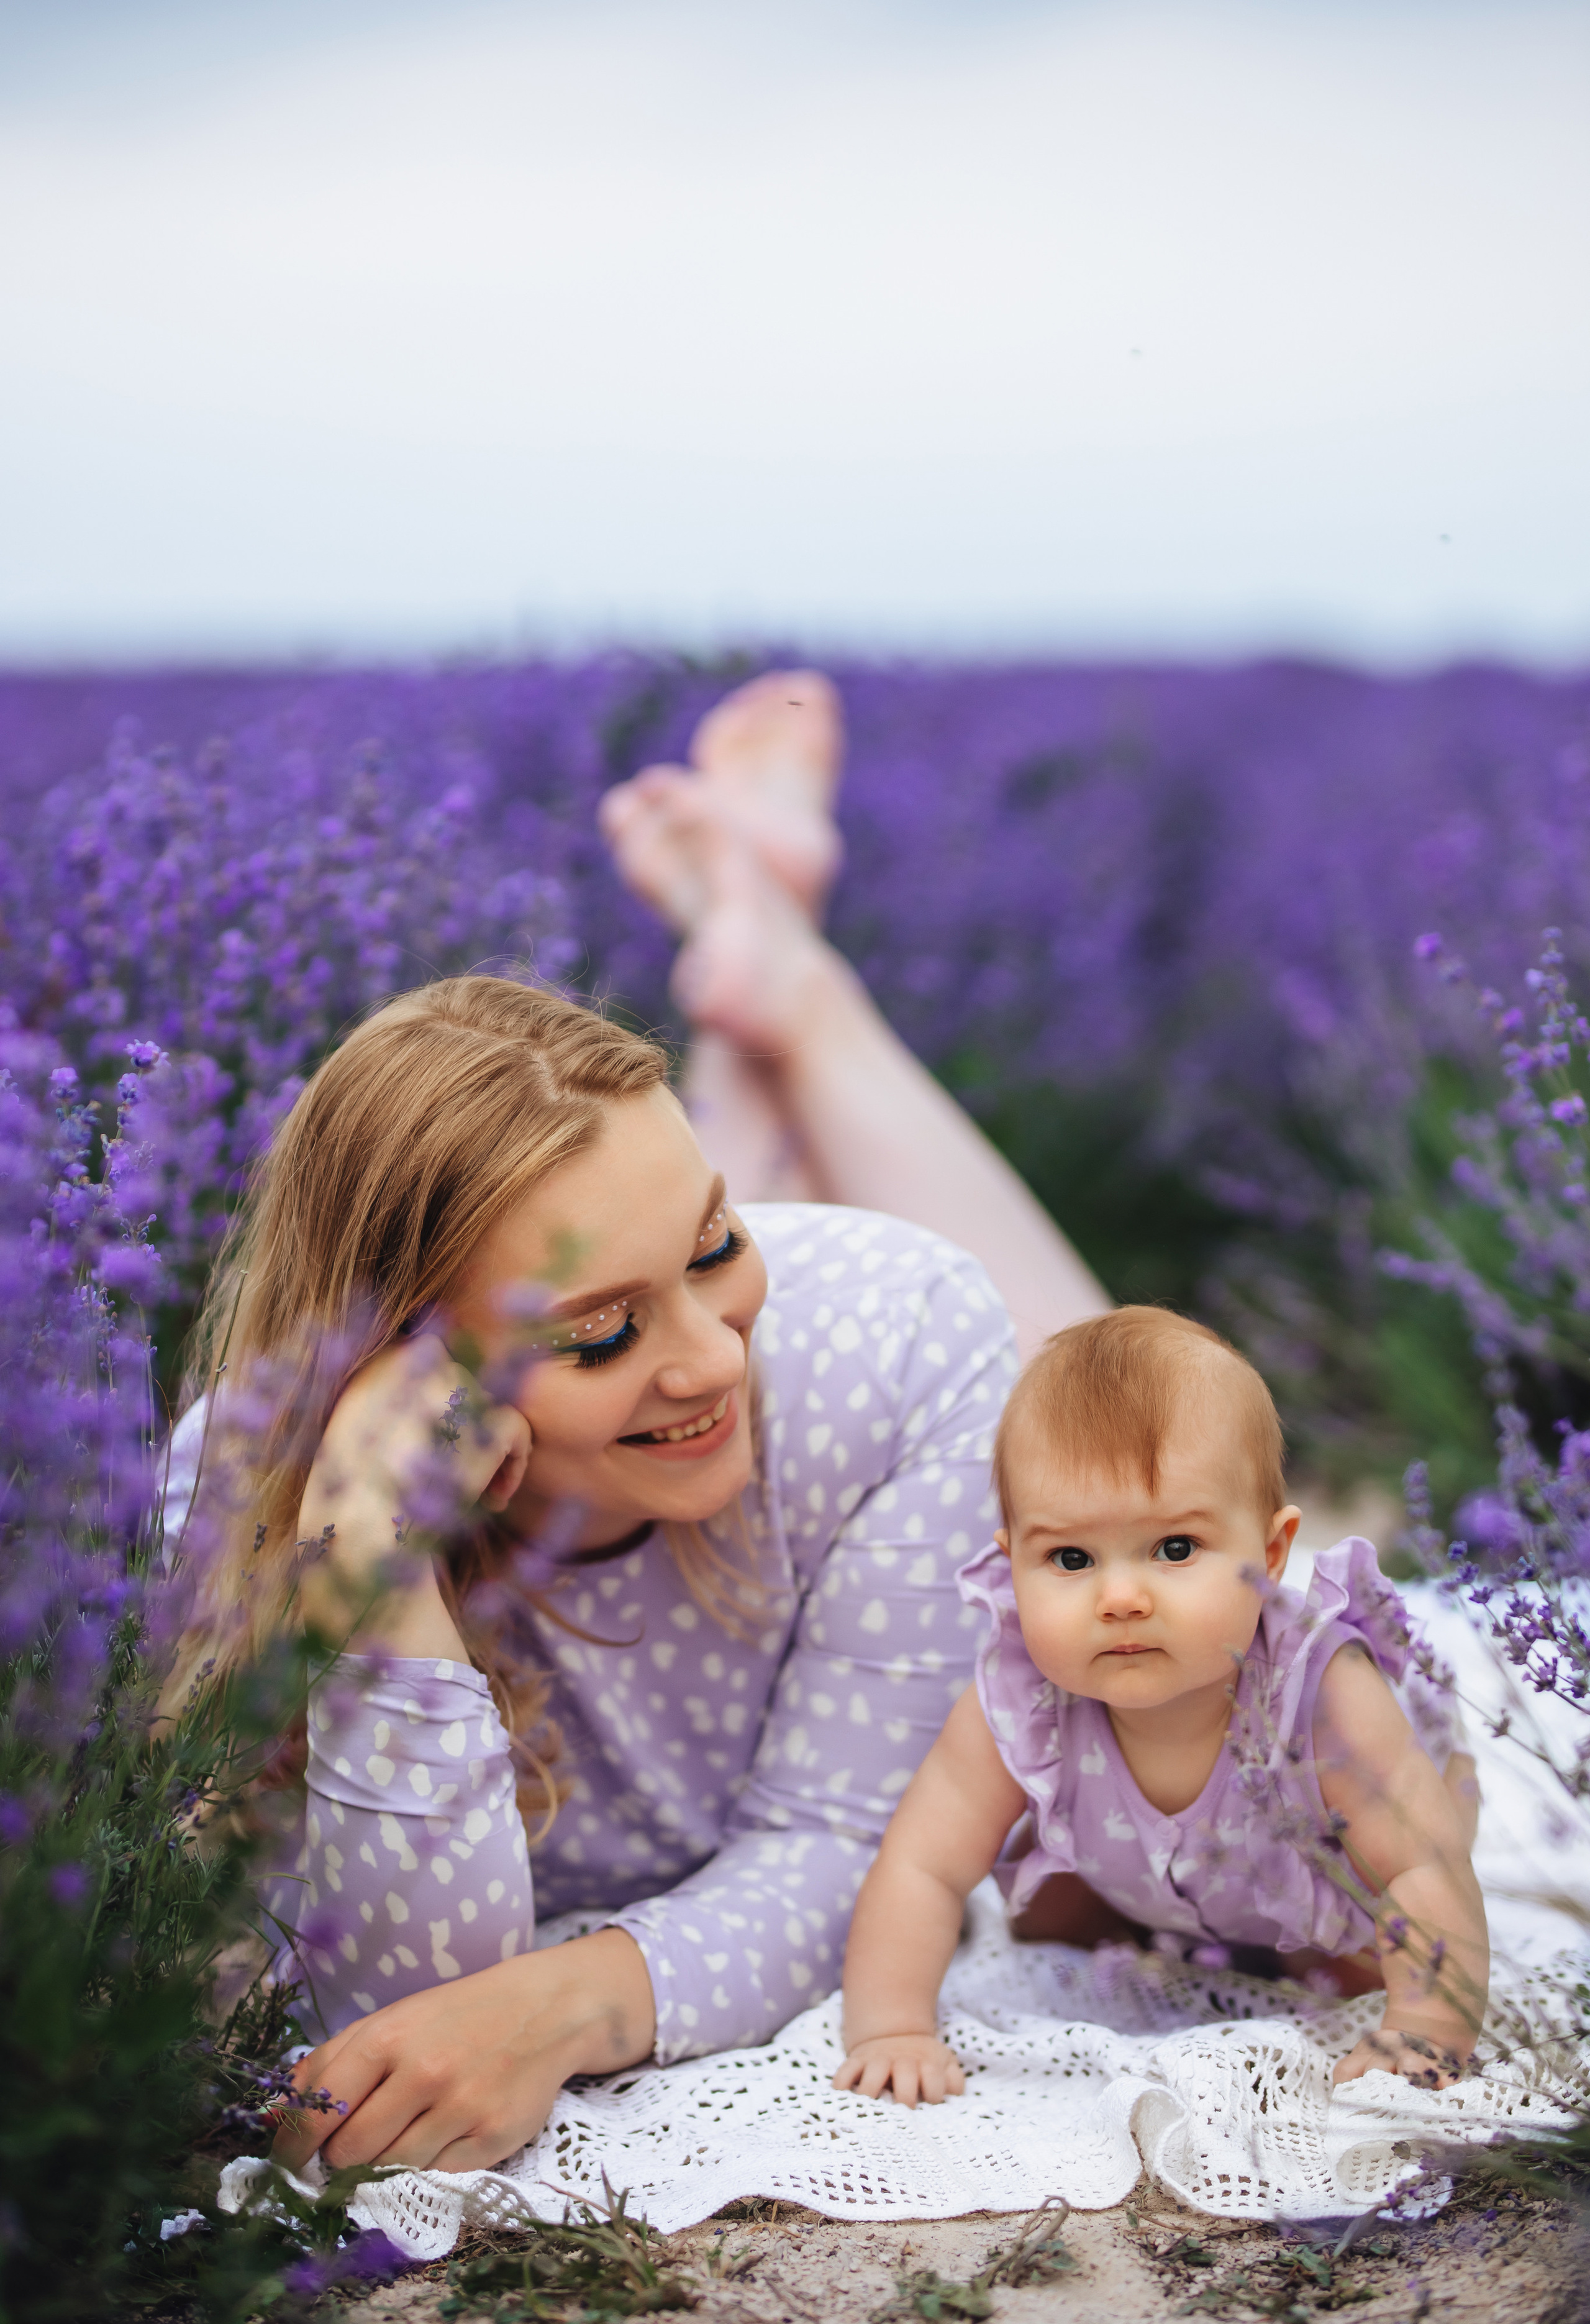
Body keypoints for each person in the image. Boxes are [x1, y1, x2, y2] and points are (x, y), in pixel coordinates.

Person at [166, 670, 1108, 2179]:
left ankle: (785, 983)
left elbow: (838, 1848)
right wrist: (374, 1575)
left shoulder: (865, 1336)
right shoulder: (237, 1485)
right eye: (598, 1330)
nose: (707, 1362)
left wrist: (567, 2005)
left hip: (886, 1351)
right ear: (408, 1365)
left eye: (718, 1243)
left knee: (1100, 1405)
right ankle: (753, 963)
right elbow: (402, 1999)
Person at [834, 1307, 1487, 2111]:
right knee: (1041, 1922)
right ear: (1012, 1564)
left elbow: (1422, 1865)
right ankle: (1153, 1915)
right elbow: (923, 1864)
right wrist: (891, 2028)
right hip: (1137, 1863)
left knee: (1340, 1978)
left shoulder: (1321, 1691)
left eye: (1175, 1549)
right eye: (1070, 1558)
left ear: (1271, 1555)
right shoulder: (1022, 1694)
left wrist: (1426, 2023)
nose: (1119, 1598)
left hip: (1337, 1872)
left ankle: (1309, 1959)